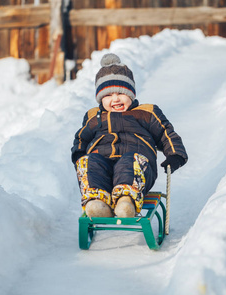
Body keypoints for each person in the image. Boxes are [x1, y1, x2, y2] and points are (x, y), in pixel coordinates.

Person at [71, 53, 187, 218]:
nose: (115, 99)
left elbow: (165, 133)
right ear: (100, 99)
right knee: (90, 162)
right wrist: (79, 153)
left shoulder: (146, 113)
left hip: (137, 164)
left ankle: (126, 202)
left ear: (131, 94)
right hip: (103, 164)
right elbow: (81, 138)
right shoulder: (93, 116)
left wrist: (175, 154)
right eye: (108, 95)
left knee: (130, 161)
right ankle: (97, 203)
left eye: (121, 93)